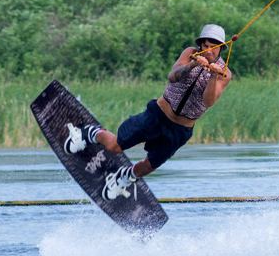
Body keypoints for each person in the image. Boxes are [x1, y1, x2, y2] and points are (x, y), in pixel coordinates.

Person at [64, 24, 234, 199]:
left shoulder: (224, 73)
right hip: (158, 114)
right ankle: (87, 133)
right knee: (115, 147)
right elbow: (173, 76)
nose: (208, 51)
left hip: (180, 130)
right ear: (200, 45)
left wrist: (214, 75)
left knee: (150, 165)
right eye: (206, 46)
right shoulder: (190, 53)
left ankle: (124, 177)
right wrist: (192, 65)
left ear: (221, 48)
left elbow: (208, 101)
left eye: (214, 47)